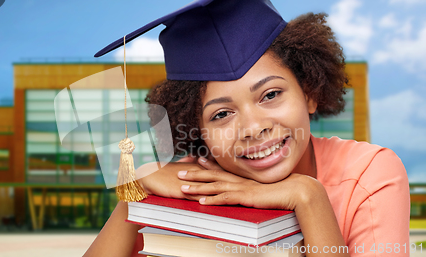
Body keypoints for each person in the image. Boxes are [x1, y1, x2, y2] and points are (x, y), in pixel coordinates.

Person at [84, 0, 410, 256]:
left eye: (270, 94)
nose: (253, 128)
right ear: (197, 132)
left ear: (309, 92)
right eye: (221, 114)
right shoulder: (190, 186)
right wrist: (137, 198)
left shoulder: (369, 176)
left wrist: (308, 198)